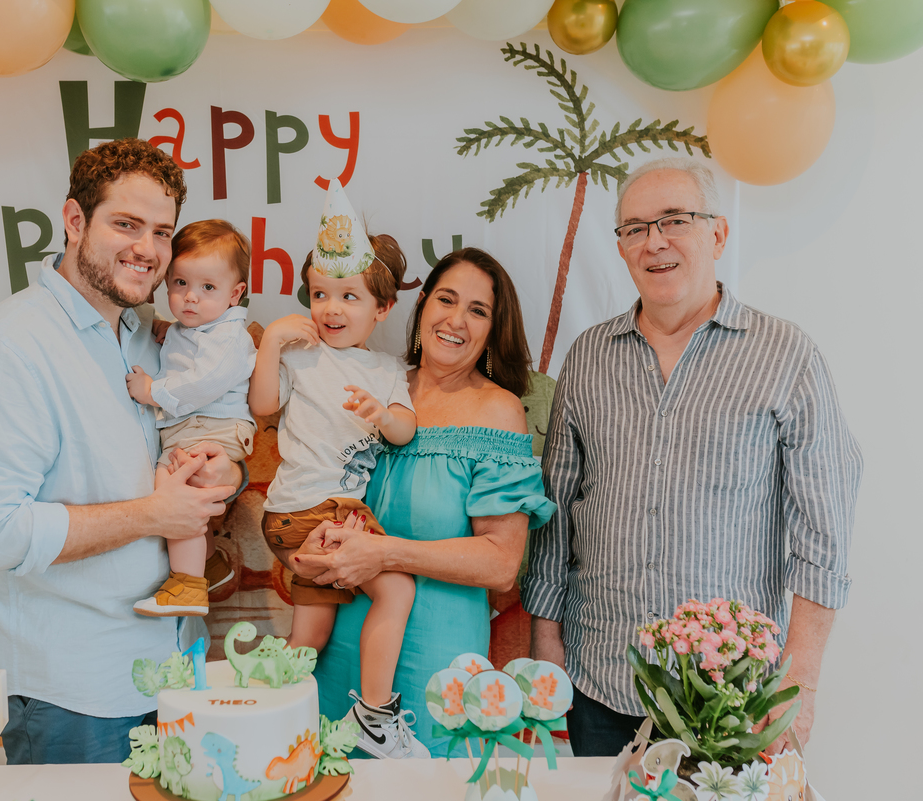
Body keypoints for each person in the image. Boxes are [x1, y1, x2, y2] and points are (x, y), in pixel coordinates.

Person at [522, 157, 862, 757]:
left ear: (717, 233)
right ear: (622, 247)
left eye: (675, 220)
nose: (655, 242)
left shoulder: (785, 355)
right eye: (635, 228)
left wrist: (800, 680)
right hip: (599, 679)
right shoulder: (588, 357)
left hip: (729, 693)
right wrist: (546, 645)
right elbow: (556, 510)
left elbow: (824, 530)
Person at [0, 139, 241, 765]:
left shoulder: (146, 337)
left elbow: (196, 436)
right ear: (74, 221)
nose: (147, 249)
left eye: (162, 232)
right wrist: (154, 515)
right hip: (73, 695)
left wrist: (223, 469)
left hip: (170, 669)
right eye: (125, 224)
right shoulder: (12, 346)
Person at [299, 248, 557, 756]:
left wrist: (385, 553)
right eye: (446, 299)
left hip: (439, 659)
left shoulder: (498, 410)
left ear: (491, 329)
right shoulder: (379, 383)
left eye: (478, 311)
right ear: (422, 307)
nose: (456, 320)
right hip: (342, 637)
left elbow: (501, 564)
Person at [250, 186, 422, 759]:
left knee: (312, 638)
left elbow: (404, 428)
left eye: (349, 296)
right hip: (311, 510)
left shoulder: (388, 368)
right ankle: (375, 719)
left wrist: (380, 414)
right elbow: (263, 407)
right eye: (321, 295)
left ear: (383, 308)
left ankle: (269, 717)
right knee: (395, 586)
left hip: (316, 517)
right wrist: (273, 340)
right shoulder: (302, 356)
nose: (331, 309)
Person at [127, 219, 257, 617]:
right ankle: (208, 565)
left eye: (208, 288)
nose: (190, 299)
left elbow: (204, 381)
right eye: (180, 284)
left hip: (212, 425)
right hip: (202, 426)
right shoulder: (195, 327)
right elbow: (188, 350)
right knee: (180, 492)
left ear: (235, 294)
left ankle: (187, 586)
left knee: (172, 490)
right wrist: (171, 331)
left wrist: (153, 392)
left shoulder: (231, 336)